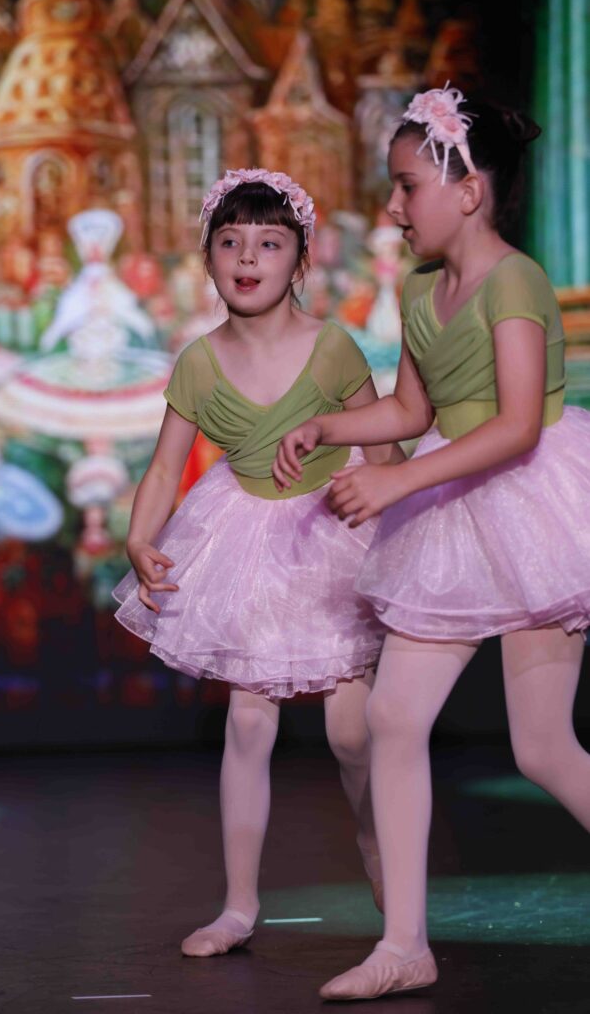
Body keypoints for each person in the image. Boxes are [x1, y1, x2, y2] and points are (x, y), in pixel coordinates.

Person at [273, 86, 590, 1000]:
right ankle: (404, 943)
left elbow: (517, 425)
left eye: (406, 186)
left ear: (468, 192)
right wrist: (331, 428)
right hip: (450, 514)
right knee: (393, 719)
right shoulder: (418, 289)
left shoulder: (515, 281)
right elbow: (413, 410)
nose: (392, 207)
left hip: (532, 509)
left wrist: (396, 481)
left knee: (541, 747)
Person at [113, 169, 403, 958]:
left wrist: (403, 514)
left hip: (331, 535)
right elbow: (164, 467)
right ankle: (238, 906)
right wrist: (140, 539)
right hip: (243, 541)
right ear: (207, 258)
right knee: (247, 722)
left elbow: (382, 444)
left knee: (350, 733)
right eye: (230, 242)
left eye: (269, 243)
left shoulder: (331, 346)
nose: (247, 257)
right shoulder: (198, 362)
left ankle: (382, 861)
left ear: (299, 261)